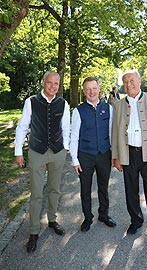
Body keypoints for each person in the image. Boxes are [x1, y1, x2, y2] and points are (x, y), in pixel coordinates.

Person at [14, 71, 70, 252]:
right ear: (43, 83)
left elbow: (66, 127)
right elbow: (22, 126)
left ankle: (52, 220)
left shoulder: (63, 103)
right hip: (37, 151)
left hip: (57, 152)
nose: (53, 86)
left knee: (54, 189)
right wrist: (18, 151)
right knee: (37, 193)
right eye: (50, 83)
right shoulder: (31, 102)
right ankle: (33, 231)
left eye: (56, 84)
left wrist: (66, 149)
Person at [112, 70, 147, 247]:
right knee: (131, 191)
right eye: (125, 81)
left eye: (132, 80)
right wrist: (116, 157)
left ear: (139, 81)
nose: (129, 84)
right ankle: (136, 222)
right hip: (129, 154)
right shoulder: (119, 104)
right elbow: (115, 132)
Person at [70, 76, 116, 232]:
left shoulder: (108, 108)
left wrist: (113, 155)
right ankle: (87, 218)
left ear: (99, 89)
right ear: (84, 92)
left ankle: (103, 214)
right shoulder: (78, 111)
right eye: (88, 89)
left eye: (94, 88)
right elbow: (74, 136)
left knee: (103, 187)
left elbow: (111, 133)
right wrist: (75, 160)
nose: (91, 91)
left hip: (104, 154)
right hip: (85, 156)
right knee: (85, 188)